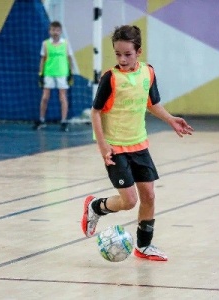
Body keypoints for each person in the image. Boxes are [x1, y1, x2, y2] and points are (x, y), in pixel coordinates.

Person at [81, 25, 194, 261]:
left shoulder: (148, 73)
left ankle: (144, 246)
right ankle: (96, 207)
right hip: (115, 147)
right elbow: (95, 112)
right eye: (118, 54)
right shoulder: (110, 78)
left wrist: (171, 119)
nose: (122, 59)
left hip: (139, 145)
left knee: (149, 196)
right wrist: (103, 146)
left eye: (127, 54)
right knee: (129, 201)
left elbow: (151, 103)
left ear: (138, 51)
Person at [33, 21, 73, 132]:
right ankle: (41, 120)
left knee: (62, 97)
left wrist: (71, 72)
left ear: (60, 31)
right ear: (49, 31)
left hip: (62, 73)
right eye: (53, 30)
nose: (55, 32)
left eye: (57, 30)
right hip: (49, 73)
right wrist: (40, 74)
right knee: (45, 97)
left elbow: (69, 58)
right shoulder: (45, 44)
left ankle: (64, 121)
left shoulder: (65, 43)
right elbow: (43, 59)